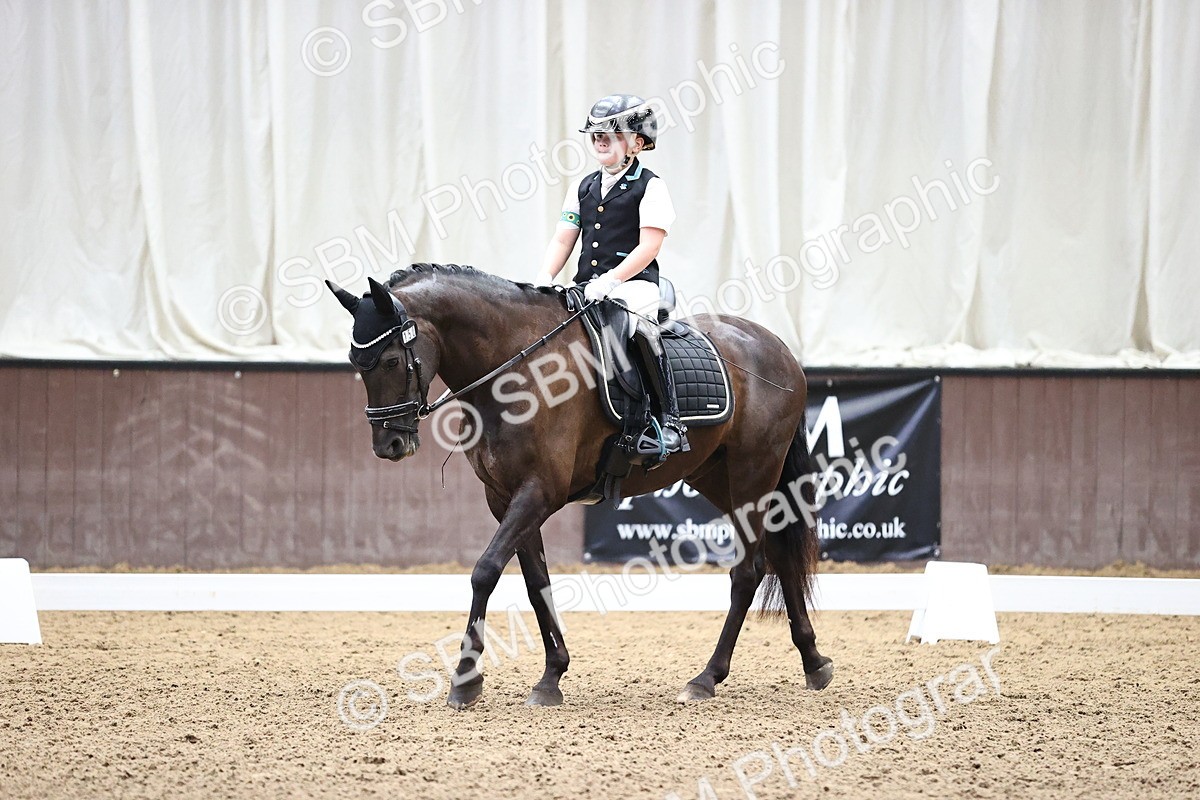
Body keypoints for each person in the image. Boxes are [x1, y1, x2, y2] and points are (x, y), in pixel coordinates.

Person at [535, 93, 689, 454]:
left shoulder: (651, 186)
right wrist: (544, 277)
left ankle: (669, 421)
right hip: (587, 286)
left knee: (630, 325)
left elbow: (649, 246)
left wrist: (613, 280)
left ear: (637, 142)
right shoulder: (582, 187)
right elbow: (563, 239)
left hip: (636, 285)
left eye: (612, 133)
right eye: (596, 135)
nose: (601, 140)